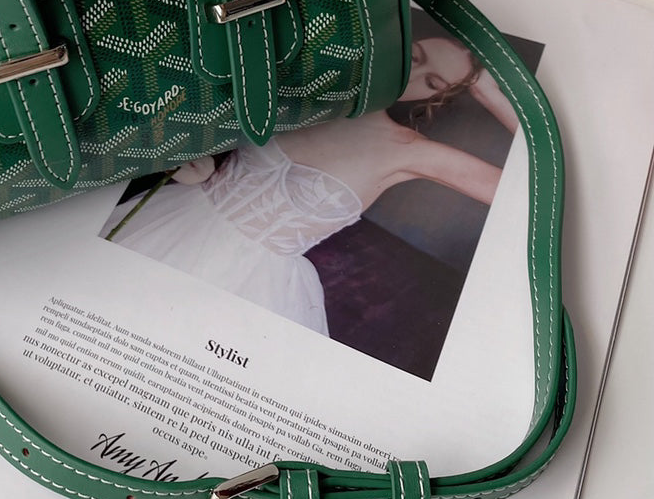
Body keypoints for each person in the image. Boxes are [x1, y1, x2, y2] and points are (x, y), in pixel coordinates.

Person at [104, 36, 517, 335]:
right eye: (412, 57)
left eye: (432, 83)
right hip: (176, 220)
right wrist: (197, 165)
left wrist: (490, 92)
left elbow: (525, 191)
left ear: (438, 97)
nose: (411, 75)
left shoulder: (409, 151)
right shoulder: (316, 87)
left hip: (255, 280)